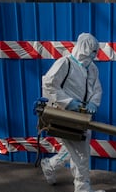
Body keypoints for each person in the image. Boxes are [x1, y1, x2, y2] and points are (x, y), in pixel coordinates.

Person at [40, 33, 104, 192]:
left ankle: (49, 165)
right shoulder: (65, 63)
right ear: (84, 48)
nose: (94, 54)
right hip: (66, 116)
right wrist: (68, 102)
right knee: (81, 155)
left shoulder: (92, 68)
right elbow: (49, 85)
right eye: (92, 51)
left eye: (96, 51)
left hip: (83, 117)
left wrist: (93, 103)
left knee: (75, 149)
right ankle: (83, 189)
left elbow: (97, 89)